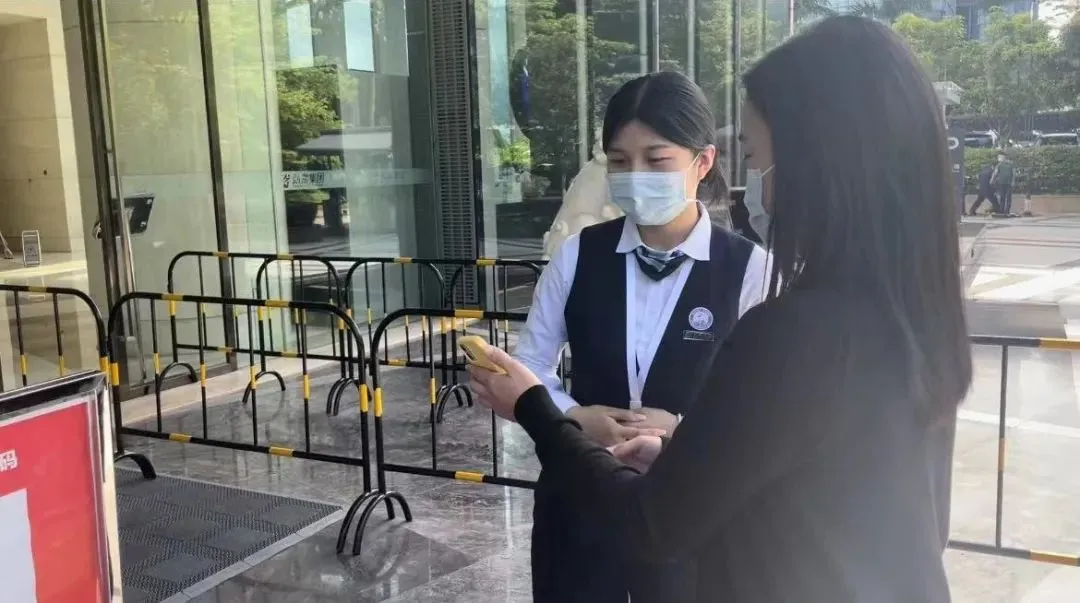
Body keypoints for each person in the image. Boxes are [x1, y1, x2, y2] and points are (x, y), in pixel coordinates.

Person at [471, 16, 970, 603]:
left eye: (757, 156)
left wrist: (534, 406)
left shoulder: (788, 320)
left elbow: (654, 521)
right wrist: (659, 444)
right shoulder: (913, 319)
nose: (757, 182)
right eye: (619, 161)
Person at [514, 70, 770, 603]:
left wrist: (679, 428)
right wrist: (574, 417)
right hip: (579, 495)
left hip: (689, 508)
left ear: (703, 162)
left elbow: (762, 403)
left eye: (656, 160)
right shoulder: (579, 254)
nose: (636, 176)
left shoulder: (749, 269)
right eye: (619, 161)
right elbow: (530, 364)